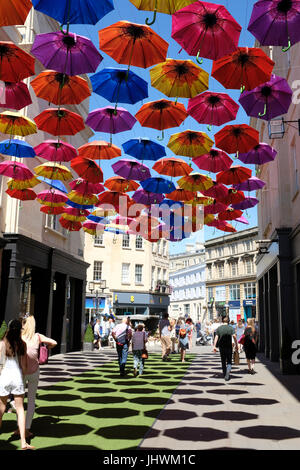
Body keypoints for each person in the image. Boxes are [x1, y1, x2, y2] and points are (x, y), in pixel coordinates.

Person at [13, 315, 57, 439]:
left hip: (21, 372)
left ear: (24, 325)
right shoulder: (38, 336)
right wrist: (47, 346)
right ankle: (27, 428)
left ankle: (19, 428)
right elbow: (54, 342)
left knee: (19, 401)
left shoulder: (19, 336)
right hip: (34, 372)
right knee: (31, 400)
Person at [0, 319, 34, 450]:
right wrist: (22, 378)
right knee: (20, 410)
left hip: (4, 377)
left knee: (1, 409)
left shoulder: (2, 343)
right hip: (17, 377)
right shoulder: (22, 344)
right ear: (20, 330)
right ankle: (23, 442)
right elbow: (24, 366)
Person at [213, 316, 238, 381]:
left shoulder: (219, 328)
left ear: (222, 321)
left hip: (221, 347)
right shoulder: (231, 328)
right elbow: (234, 337)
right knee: (229, 360)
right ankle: (228, 372)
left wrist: (214, 346)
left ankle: (225, 373)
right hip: (229, 346)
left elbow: (216, 337)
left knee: (223, 361)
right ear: (228, 321)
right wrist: (236, 345)